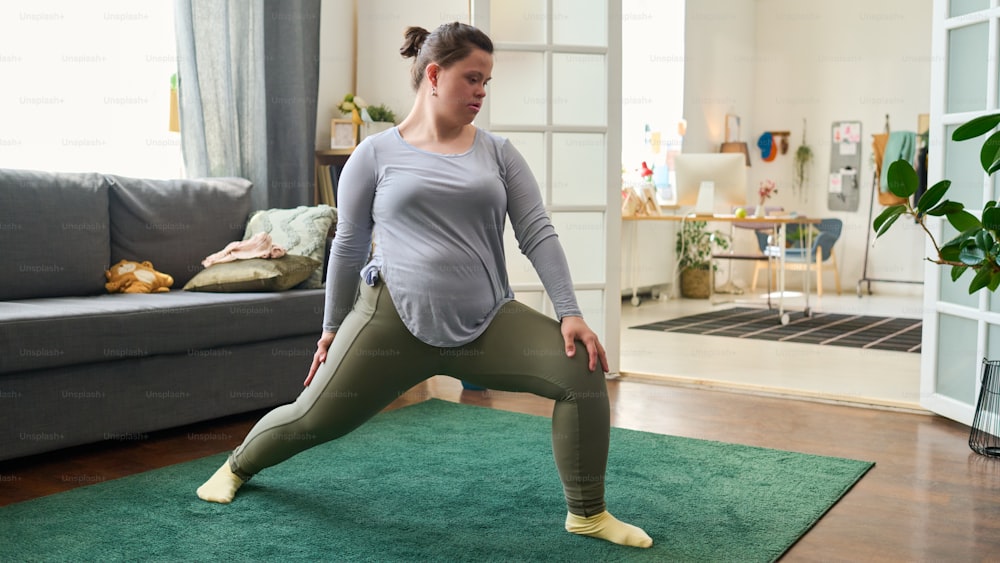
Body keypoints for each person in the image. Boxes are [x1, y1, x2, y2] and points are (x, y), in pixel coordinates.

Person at [196, 21, 652, 550]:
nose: (482, 92)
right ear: (434, 75)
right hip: (389, 322)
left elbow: (538, 234)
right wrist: (330, 329)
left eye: (487, 81)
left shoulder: (500, 154)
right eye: (472, 79)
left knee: (583, 368)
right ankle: (236, 467)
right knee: (312, 419)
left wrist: (569, 311)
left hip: (485, 321)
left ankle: (588, 513)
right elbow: (347, 246)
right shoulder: (373, 154)